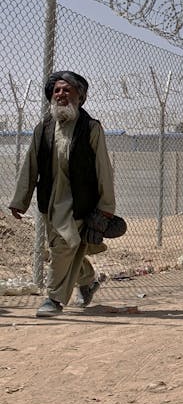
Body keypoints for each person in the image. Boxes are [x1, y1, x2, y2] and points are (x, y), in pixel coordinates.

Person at [9, 70, 115, 317]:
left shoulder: (91, 128)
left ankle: (54, 299)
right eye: (56, 90)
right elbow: (30, 165)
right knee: (62, 245)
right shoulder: (43, 129)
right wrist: (20, 200)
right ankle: (87, 280)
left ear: (79, 96)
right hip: (51, 199)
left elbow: (103, 169)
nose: (61, 94)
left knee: (62, 246)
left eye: (67, 90)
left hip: (79, 200)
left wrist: (106, 207)